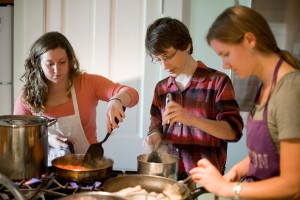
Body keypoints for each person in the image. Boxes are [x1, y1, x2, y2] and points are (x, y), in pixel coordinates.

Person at [189, 5, 300, 199]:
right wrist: (236, 172)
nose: (224, 65)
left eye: (226, 54)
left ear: (249, 40)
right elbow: (267, 154)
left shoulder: (290, 91)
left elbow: (293, 185)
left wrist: (227, 189)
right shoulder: (265, 86)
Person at [13, 31, 139, 165]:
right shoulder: (28, 94)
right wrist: (47, 139)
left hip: (88, 166)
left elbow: (131, 94)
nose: (57, 70)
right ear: (38, 64)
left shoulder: (87, 83)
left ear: (70, 60)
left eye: (62, 62)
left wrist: (116, 100)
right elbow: (19, 135)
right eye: (50, 64)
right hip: (44, 170)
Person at [143, 17, 244, 180]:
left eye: (168, 56)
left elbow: (233, 132)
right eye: (158, 59)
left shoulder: (218, 82)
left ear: (186, 46)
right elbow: (155, 127)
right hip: (168, 178)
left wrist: (191, 119)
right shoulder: (161, 88)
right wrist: (154, 136)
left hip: (207, 182)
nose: (164, 66)